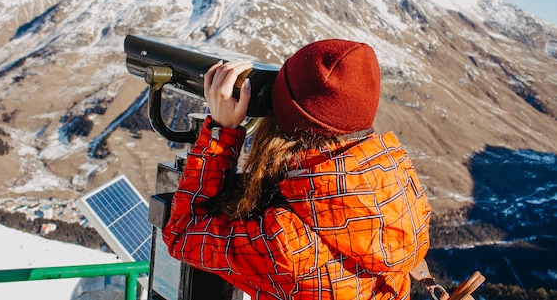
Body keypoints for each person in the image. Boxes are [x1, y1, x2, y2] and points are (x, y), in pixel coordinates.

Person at [162, 39, 432, 299]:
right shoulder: (402, 192)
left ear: (281, 121)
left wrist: (222, 133)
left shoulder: (286, 244)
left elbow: (181, 233)